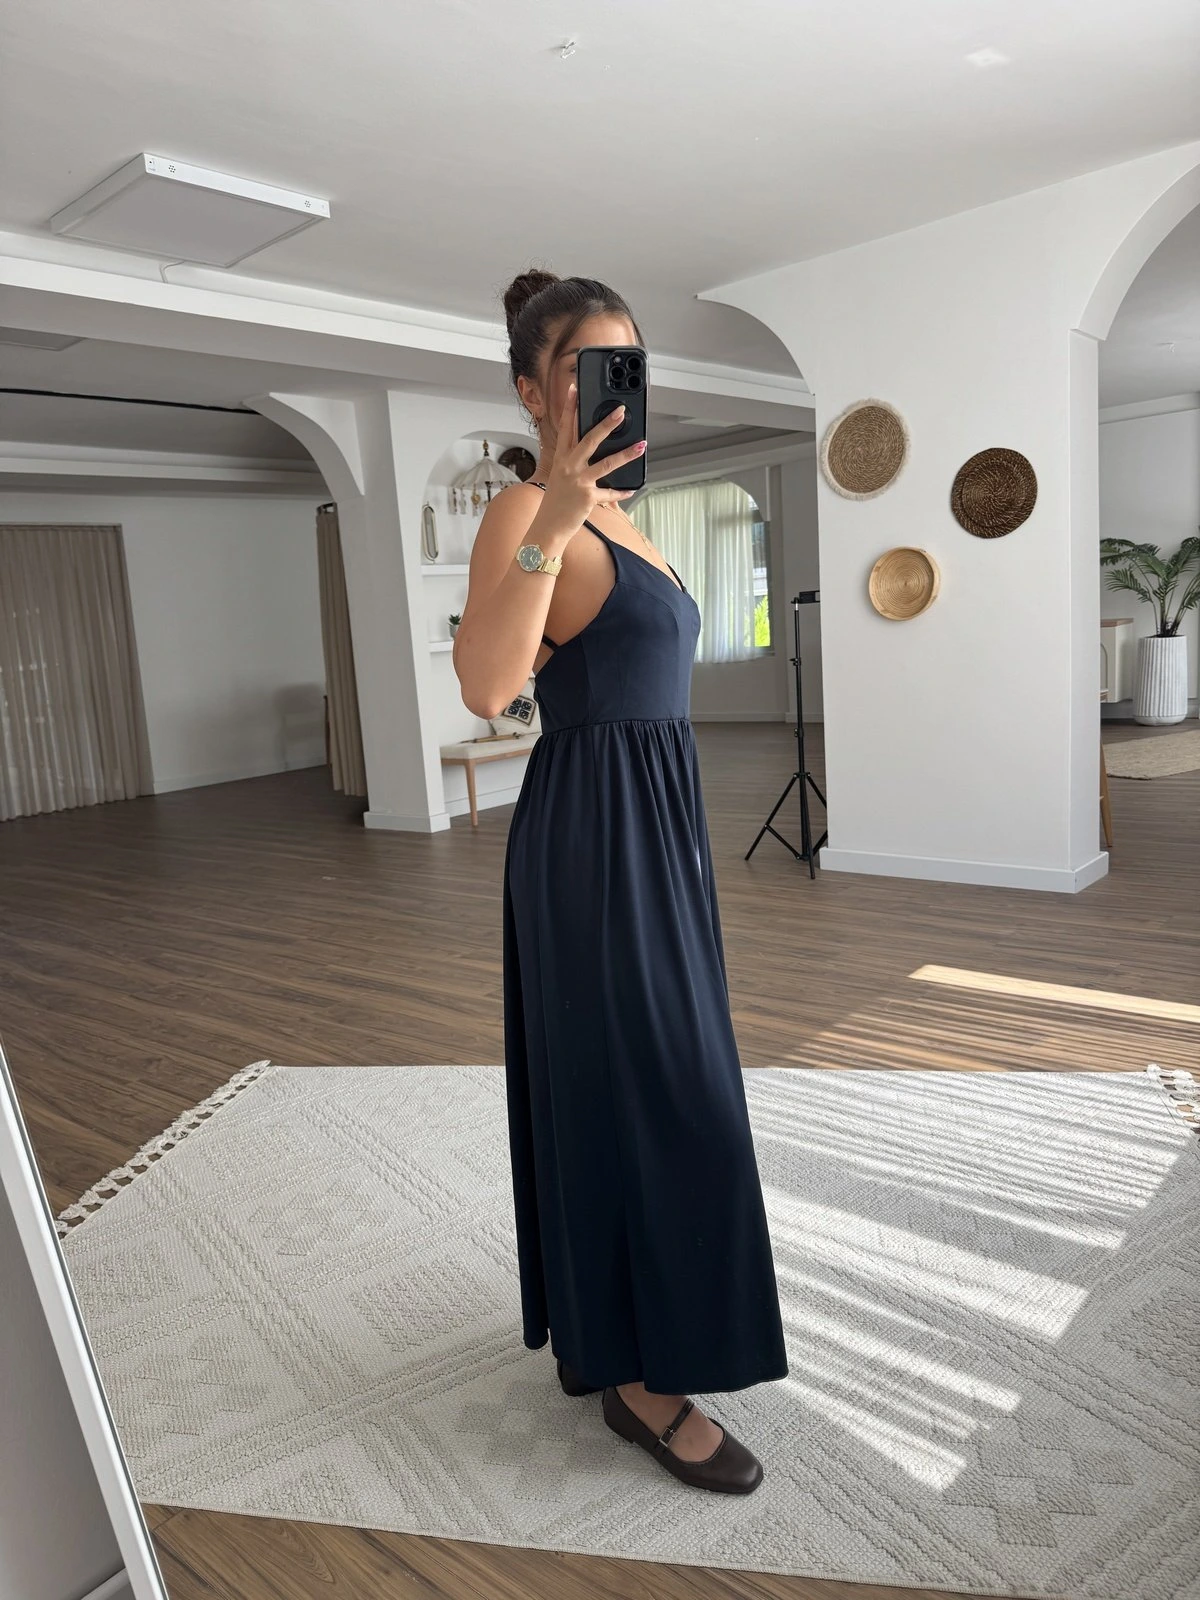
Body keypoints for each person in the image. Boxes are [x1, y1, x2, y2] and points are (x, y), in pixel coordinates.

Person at [453, 270, 788, 1495]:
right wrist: (553, 511)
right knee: (657, 1091)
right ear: (534, 391)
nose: (610, 390)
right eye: (587, 368)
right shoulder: (529, 509)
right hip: (592, 838)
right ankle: (643, 1383)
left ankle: (614, 1328)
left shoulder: (633, 518)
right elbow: (489, 686)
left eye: (627, 367)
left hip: (661, 827)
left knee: (655, 1080)